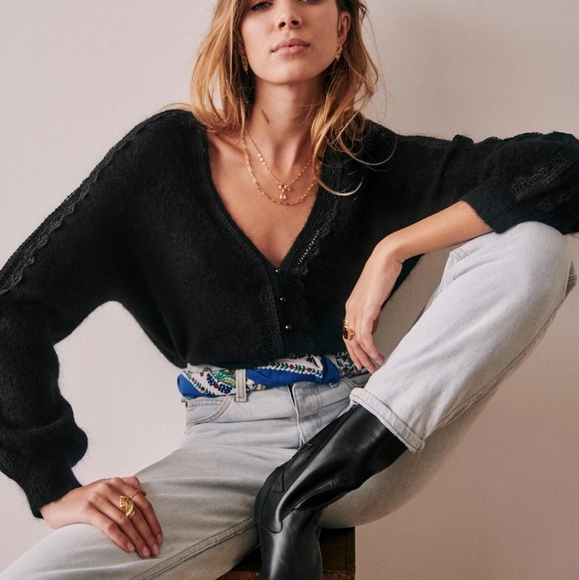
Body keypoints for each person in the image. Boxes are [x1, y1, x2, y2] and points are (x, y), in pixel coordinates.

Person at [0, 0, 577, 578]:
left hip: (364, 440)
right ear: (238, 36)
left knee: (535, 244)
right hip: (222, 452)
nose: (287, 16)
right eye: (260, 5)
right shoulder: (163, 157)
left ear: (342, 26)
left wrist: (395, 247)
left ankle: (301, 489)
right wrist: (51, 486)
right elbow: (15, 307)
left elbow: (562, 167)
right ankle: (286, 498)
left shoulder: (376, 163)